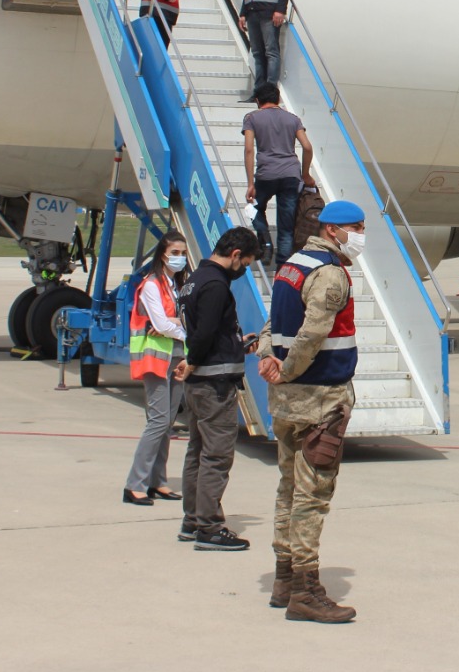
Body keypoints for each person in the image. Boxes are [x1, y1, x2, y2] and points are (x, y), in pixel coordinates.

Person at [258, 200, 367, 624]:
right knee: (312, 495)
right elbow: (313, 332)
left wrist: (270, 359)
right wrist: (286, 369)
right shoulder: (330, 274)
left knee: (288, 487)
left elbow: (273, 323)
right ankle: (306, 589)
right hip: (319, 398)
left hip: (286, 402)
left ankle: (284, 578)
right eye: (356, 227)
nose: (360, 235)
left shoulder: (292, 265)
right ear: (333, 230)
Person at [173, 226, 264, 551]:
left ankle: (193, 520)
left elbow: (206, 330)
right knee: (217, 455)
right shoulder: (215, 284)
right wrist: (194, 360)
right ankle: (210, 527)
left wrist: (236, 346)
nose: (244, 271)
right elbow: (206, 332)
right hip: (213, 383)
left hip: (200, 383)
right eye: (246, 263)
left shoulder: (194, 280)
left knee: (197, 450)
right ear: (235, 255)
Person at [123, 230, 189, 505]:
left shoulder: (175, 285)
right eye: (175, 253)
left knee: (167, 423)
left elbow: (170, 323)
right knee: (158, 421)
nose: (180, 258)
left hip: (175, 357)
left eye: (183, 254)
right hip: (155, 360)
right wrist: (184, 328)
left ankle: (157, 481)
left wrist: (175, 325)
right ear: (162, 254)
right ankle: (134, 484)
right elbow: (161, 324)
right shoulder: (152, 284)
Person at [243, 82, 314, 270]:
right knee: (286, 226)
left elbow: (249, 149)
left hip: (266, 174)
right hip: (291, 175)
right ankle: (282, 268)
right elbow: (307, 147)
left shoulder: (251, 118)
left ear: (258, 101)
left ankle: (265, 241)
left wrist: (251, 183)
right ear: (278, 99)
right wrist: (305, 174)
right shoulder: (293, 119)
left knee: (254, 206)